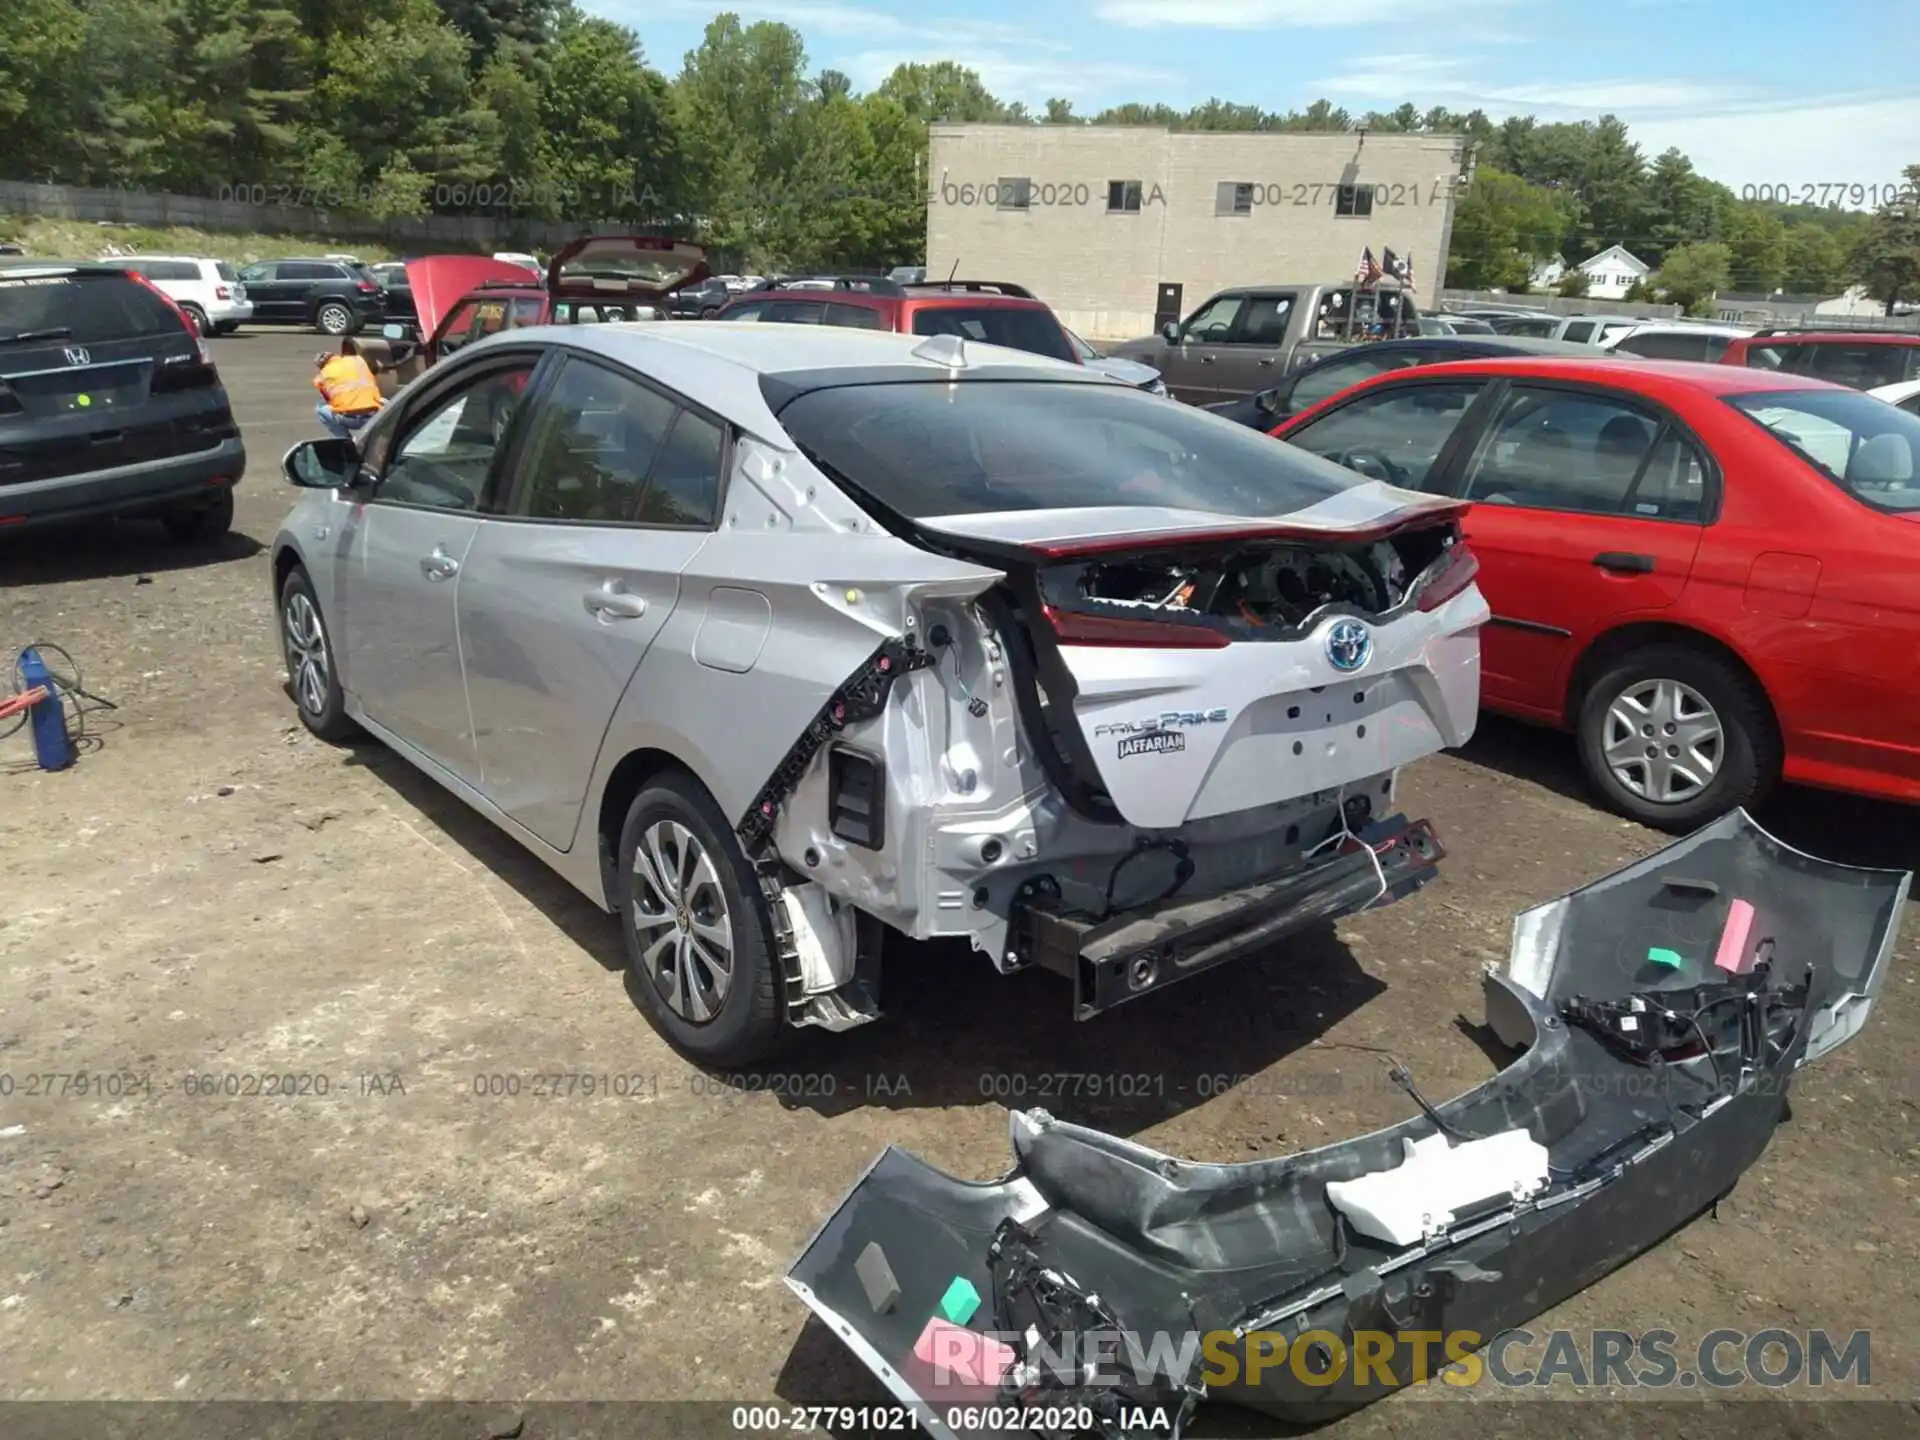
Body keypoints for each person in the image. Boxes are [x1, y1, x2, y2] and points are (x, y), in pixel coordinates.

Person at [313, 343, 386, 441]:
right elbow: (378, 367)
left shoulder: (321, 377)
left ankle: (344, 440)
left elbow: (329, 399)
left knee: (320, 407)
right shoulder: (358, 361)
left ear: (321, 366)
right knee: (384, 400)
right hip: (375, 415)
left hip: (350, 419)